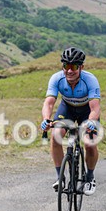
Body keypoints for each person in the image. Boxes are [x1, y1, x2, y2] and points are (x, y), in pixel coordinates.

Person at [40, 47, 101, 195]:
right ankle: (59, 177)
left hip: (87, 111)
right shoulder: (57, 78)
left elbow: (95, 108)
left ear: (81, 67)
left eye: (74, 66)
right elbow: (48, 103)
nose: (69, 70)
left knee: (89, 143)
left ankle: (90, 177)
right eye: (66, 66)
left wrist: (91, 122)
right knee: (56, 135)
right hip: (67, 108)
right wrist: (46, 119)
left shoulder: (90, 80)